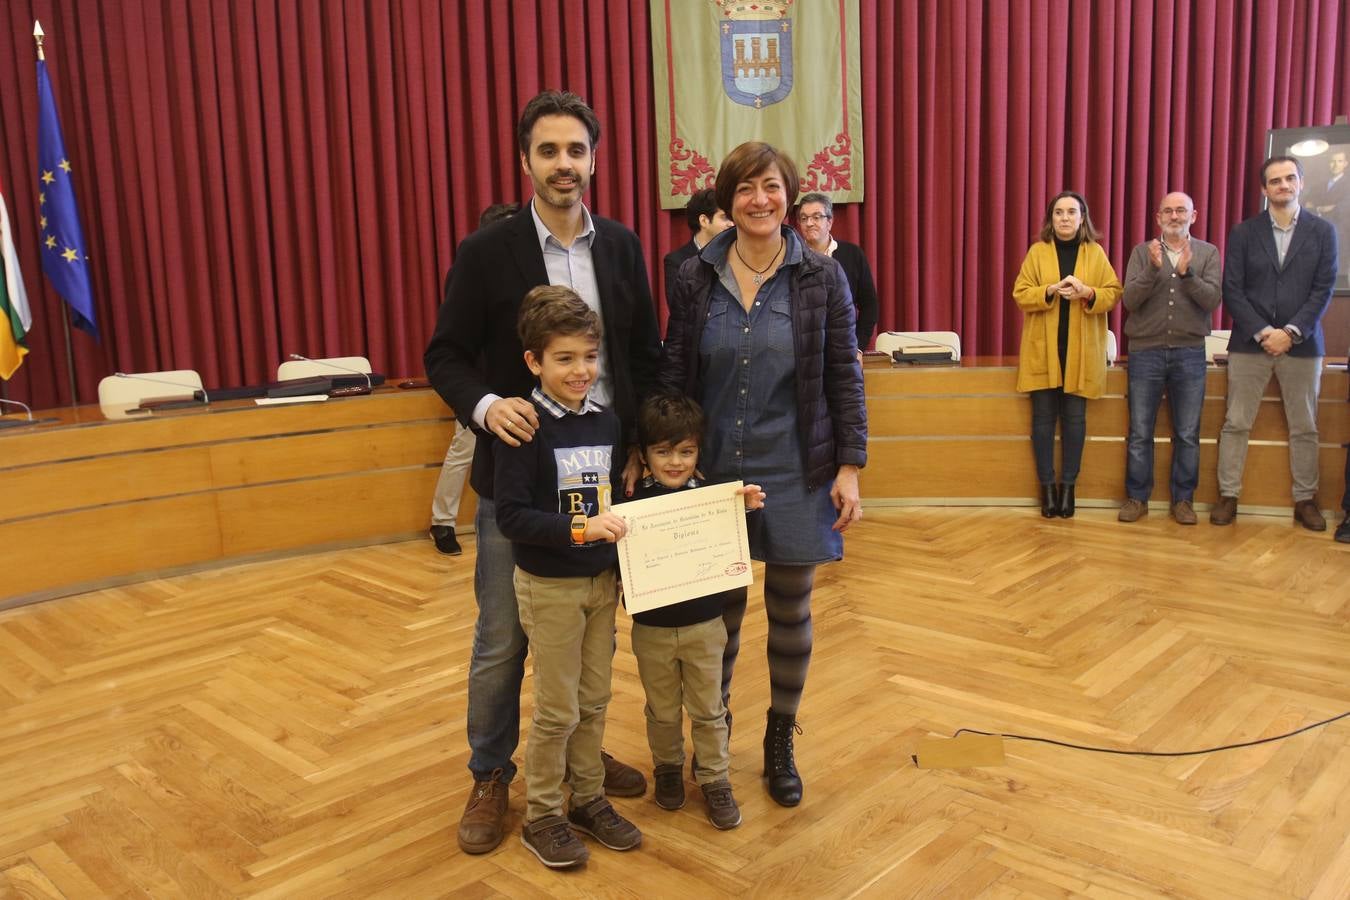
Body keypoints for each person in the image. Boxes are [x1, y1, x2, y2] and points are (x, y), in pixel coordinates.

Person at [423, 90, 661, 855]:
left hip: (604, 480)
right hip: (520, 486)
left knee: (593, 632)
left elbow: (642, 357)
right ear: (525, 160)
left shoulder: (620, 246)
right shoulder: (486, 251)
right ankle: (492, 772)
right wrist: (487, 405)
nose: (565, 164)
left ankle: (576, 763)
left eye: (577, 150)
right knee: (503, 639)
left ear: (595, 158)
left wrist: (643, 448)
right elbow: (444, 356)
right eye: (549, 150)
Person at [660, 141, 867, 808]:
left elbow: (845, 373)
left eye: (771, 186)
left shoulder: (820, 277)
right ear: (726, 198)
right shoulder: (694, 275)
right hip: (715, 464)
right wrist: (659, 452)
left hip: (796, 460)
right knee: (716, 614)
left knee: (789, 608)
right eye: (746, 187)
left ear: (789, 195)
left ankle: (780, 739)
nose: (759, 199)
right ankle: (713, 738)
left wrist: (850, 466)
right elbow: (675, 371)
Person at [493, 285, 640, 868]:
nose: (581, 370)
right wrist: (578, 531)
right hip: (549, 585)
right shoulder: (524, 427)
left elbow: (611, 500)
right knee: (557, 708)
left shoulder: (606, 421)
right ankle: (544, 814)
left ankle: (588, 798)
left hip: (600, 584)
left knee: (596, 698)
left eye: (588, 356)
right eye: (564, 358)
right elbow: (510, 517)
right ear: (534, 361)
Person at [621, 391, 765, 830]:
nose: (676, 462)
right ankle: (667, 767)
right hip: (651, 629)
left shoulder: (714, 498)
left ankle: (715, 777)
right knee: (661, 709)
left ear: (699, 450)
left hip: (706, 626)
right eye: (663, 452)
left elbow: (734, 546)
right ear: (644, 456)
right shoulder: (629, 505)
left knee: (709, 708)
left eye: (686, 451)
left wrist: (749, 511)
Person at [1213, 156, 1338, 529]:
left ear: (1300, 182)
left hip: (1302, 344)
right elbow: (1232, 288)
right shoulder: (1243, 233)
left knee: (1305, 426)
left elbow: (1323, 289)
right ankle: (1228, 495)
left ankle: (1305, 500)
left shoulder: (1322, 232)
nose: (1283, 186)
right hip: (1251, 344)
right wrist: (1264, 332)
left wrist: (1291, 332)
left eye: (1289, 179)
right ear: (1264, 189)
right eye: (1275, 181)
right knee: (1235, 422)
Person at [1012, 191, 1123, 519]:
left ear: (1082, 218)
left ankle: (1069, 489)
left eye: (1071, 212)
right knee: (1043, 423)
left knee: (1075, 422)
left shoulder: (1095, 252)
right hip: (1043, 351)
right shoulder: (1038, 252)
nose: (1064, 218)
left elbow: (1113, 292)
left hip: (1081, 352)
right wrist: (1048, 290)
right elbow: (1020, 292)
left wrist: (1087, 292)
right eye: (1058, 212)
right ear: (1051, 219)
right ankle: (1047, 488)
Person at [1118, 192, 1222, 525]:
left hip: (1190, 353)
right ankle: (1137, 497)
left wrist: (1188, 274)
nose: (1174, 215)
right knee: (1139, 431)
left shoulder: (1207, 252)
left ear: (1194, 215)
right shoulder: (1141, 252)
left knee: (1188, 432)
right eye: (1168, 210)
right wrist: (1153, 269)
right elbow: (1130, 300)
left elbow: (1212, 301)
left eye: (1181, 210)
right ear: (1157, 216)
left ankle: (1183, 500)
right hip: (1144, 352)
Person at [429, 202, 520, 555]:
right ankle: (443, 521)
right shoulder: (473, 266)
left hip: (519, 387)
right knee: (462, 450)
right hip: (480, 388)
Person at [796, 192, 879, 353]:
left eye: (816, 217)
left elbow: (870, 306)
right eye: (804, 218)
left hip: (843, 348)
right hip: (802, 350)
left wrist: (857, 347)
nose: (809, 223)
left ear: (830, 222)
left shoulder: (852, 254)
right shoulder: (792, 256)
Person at [663, 188, 732, 307]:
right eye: (725, 217)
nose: (731, 224)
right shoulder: (676, 261)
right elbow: (679, 309)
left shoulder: (737, 253)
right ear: (704, 220)